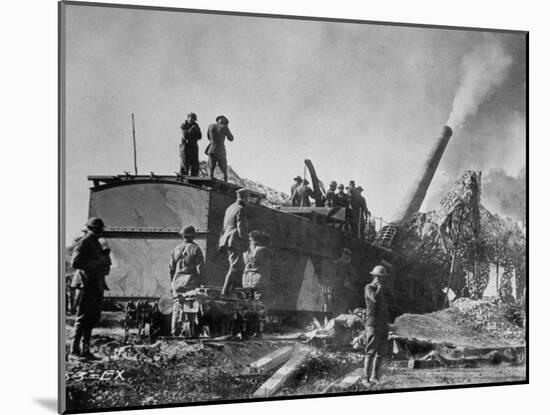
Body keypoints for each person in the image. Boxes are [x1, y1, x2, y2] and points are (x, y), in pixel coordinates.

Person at [70, 217, 111, 360]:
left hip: (94, 283)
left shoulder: (96, 243)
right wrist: (98, 262)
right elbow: (75, 263)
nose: (100, 232)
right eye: (99, 229)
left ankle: (85, 350)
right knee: (82, 318)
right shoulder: (84, 242)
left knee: (90, 318)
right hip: (85, 283)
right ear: (93, 229)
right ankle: (74, 351)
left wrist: (104, 258)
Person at [169, 225, 205, 336]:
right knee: (191, 305)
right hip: (190, 281)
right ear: (193, 236)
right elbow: (200, 268)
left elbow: (171, 268)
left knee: (177, 306)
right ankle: (190, 332)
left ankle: (174, 331)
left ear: (183, 236)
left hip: (177, 280)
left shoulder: (176, 249)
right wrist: (202, 281)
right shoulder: (196, 249)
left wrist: (173, 282)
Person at [219, 188, 249, 296]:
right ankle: (225, 292)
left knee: (237, 266)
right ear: (245, 198)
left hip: (227, 239)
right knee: (235, 266)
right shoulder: (241, 209)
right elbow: (241, 227)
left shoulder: (230, 208)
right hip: (234, 240)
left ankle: (231, 291)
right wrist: (246, 242)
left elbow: (224, 227)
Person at [363, 265, 390, 384]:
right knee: (370, 352)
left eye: (383, 277)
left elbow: (384, 308)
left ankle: (375, 376)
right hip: (373, 324)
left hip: (382, 325)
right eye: (379, 277)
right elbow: (374, 299)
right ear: (374, 276)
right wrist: (379, 289)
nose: (381, 279)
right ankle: (365, 378)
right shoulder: (369, 287)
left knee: (380, 353)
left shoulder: (382, 290)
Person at [242, 231, 272, 300]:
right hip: (259, 278)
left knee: (247, 298)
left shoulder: (246, 250)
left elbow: (246, 262)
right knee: (259, 298)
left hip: (247, 278)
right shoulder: (264, 250)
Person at [206, 115, 234, 182]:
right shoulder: (224, 127)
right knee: (223, 168)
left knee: (211, 167)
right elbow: (231, 138)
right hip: (220, 150)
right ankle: (225, 181)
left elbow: (208, 137)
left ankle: (210, 180)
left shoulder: (210, 126)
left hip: (211, 149)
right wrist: (227, 127)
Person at [332, 248, 358, 315]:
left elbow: (353, 277)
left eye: (348, 255)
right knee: (340, 307)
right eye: (345, 254)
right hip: (340, 289)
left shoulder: (341, 264)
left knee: (340, 307)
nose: (346, 256)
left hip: (341, 289)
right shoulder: (341, 264)